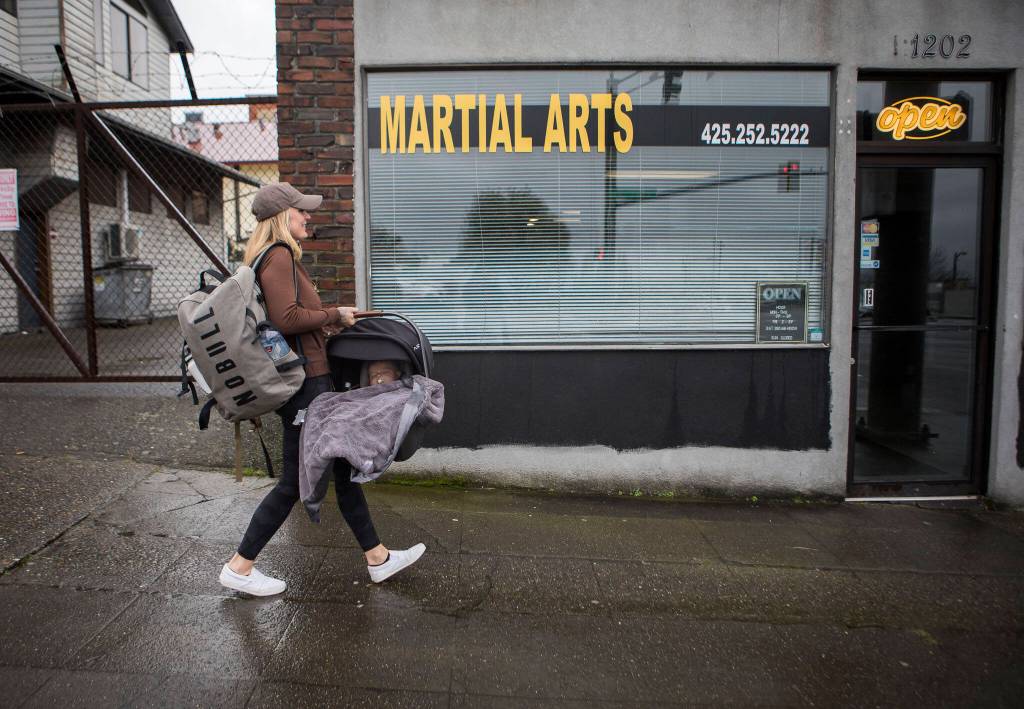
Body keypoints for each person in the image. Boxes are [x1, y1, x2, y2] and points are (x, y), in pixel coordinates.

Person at [218, 182, 425, 596]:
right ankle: (240, 566)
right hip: (305, 388)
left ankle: (378, 558)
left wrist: (332, 320)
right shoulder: (277, 257)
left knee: (345, 470)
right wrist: (334, 313)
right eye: (302, 211)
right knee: (295, 482)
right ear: (282, 217)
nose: (308, 216)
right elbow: (287, 318)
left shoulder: (278, 257)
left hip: (313, 381)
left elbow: (294, 320)